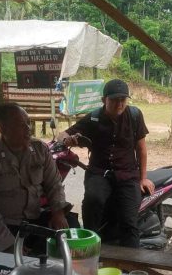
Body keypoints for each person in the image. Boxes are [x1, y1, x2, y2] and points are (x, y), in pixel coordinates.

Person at [0, 103, 77, 254]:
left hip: (31, 220)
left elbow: (54, 184)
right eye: (21, 125)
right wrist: (8, 244)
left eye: (29, 123)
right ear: (2, 129)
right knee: (7, 267)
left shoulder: (40, 149)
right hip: (1, 225)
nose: (28, 129)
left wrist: (57, 212)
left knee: (70, 227)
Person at [57, 79, 154, 248]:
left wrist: (143, 178)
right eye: (114, 99)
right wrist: (67, 139)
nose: (119, 103)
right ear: (104, 100)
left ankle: (131, 266)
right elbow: (62, 134)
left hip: (128, 175)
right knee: (92, 203)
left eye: (123, 99)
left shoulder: (134, 116)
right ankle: (90, 251)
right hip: (99, 173)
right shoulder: (93, 118)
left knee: (129, 221)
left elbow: (142, 150)